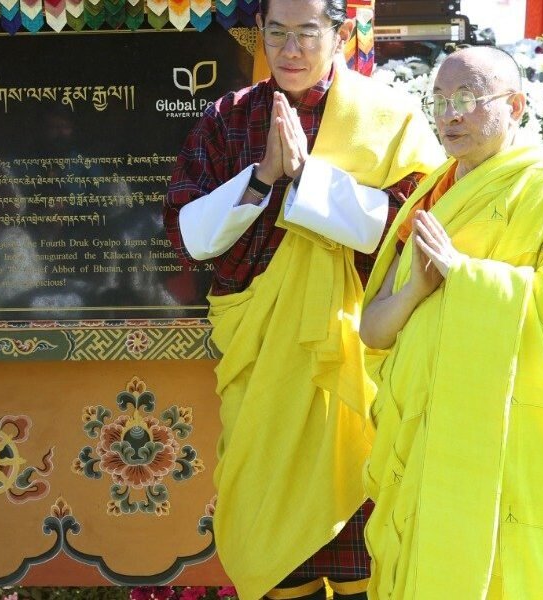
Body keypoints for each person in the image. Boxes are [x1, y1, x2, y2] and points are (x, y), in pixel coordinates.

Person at [163, 0, 444, 597]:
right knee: (272, 548)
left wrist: (309, 179)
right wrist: (263, 176)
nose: (290, 50)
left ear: (340, 34)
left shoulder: (387, 117)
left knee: (363, 545)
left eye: (308, 33)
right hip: (262, 361)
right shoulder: (229, 119)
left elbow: (415, 223)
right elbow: (187, 235)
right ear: (259, 33)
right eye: (277, 33)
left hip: (353, 359)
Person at [359, 46, 543, 599]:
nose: (449, 115)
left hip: (517, 441)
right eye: (439, 101)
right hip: (431, 442)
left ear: (516, 106)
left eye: (467, 100)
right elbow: (374, 330)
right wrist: (416, 291)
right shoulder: (432, 194)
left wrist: (466, 277)